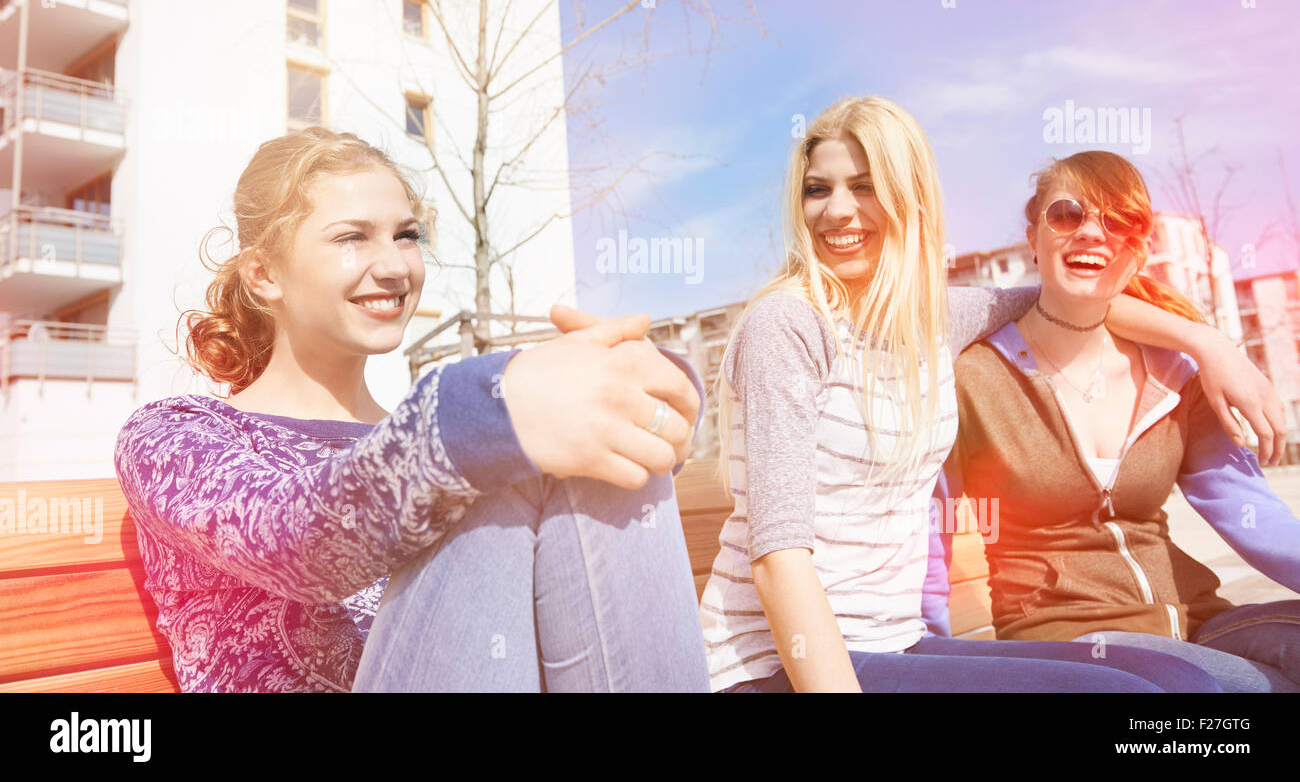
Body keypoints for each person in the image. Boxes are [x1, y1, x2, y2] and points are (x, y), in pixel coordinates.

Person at [700, 97, 1282, 693]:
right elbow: (777, 561)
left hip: (893, 644)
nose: (838, 211)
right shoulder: (788, 325)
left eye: (866, 186)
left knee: (1185, 687)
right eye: (817, 190)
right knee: (1129, 700)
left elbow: (1067, 294)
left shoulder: (931, 321)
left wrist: (1208, 343)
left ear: (911, 199)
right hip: (782, 665)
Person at [114, 126, 710, 692]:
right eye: (352, 237)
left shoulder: (424, 438)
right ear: (264, 274)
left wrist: (648, 396)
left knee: (542, 455)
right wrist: (484, 408)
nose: (397, 265)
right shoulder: (172, 435)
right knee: (501, 453)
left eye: (406, 235)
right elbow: (294, 540)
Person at [928, 150, 1300, 692]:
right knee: (1229, 694)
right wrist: (932, 651)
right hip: (1066, 642)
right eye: (1067, 214)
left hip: (1196, 622)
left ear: (1142, 250)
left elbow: (1252, 513)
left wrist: (1208, 343)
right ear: (1033, 238)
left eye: (1119, 221)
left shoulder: (1178, 373)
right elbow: (931, 528)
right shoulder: (973, 379)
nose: (1091, 233)